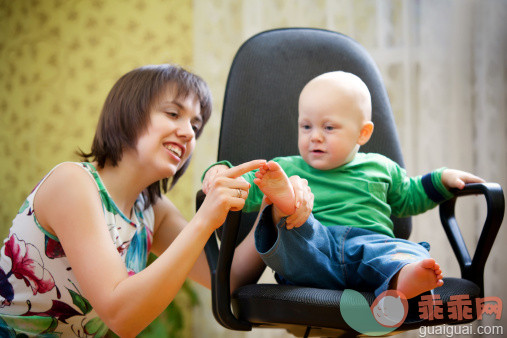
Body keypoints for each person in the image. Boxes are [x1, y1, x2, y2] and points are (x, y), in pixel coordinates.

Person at [0, 64, 313, 337]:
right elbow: (121, 316)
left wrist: (273, 205)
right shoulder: (72, 183)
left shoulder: (152, 212)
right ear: (127, 114)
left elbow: (227, 281)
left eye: (196, 125)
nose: (189, 133)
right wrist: (205, 219)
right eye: (174, 113)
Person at [202, 71, 485, 300]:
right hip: (313, 250)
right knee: (291, 229)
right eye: (306, 126)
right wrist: (222, 173)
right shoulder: (283, 168)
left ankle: (400, 281)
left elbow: (411, 197)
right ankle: (290, 204)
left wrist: (442, 178)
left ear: (363, 133)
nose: (315, 137)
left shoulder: (380, 167)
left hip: (369, 248)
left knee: (409, 253)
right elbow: (244, 187)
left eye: (328, 128)